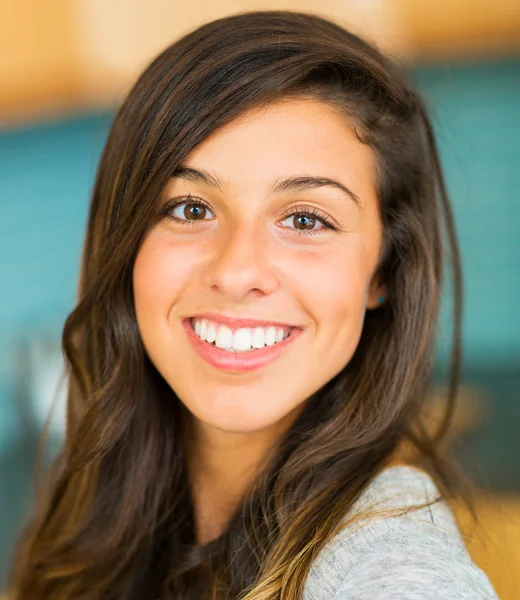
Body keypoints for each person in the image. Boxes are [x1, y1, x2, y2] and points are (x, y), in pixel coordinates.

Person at [7, 10, 500, 600]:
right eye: (191, 209)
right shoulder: (91, 511)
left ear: (383, 272)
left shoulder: (388, 563)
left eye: (304, 219)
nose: (237, 271)